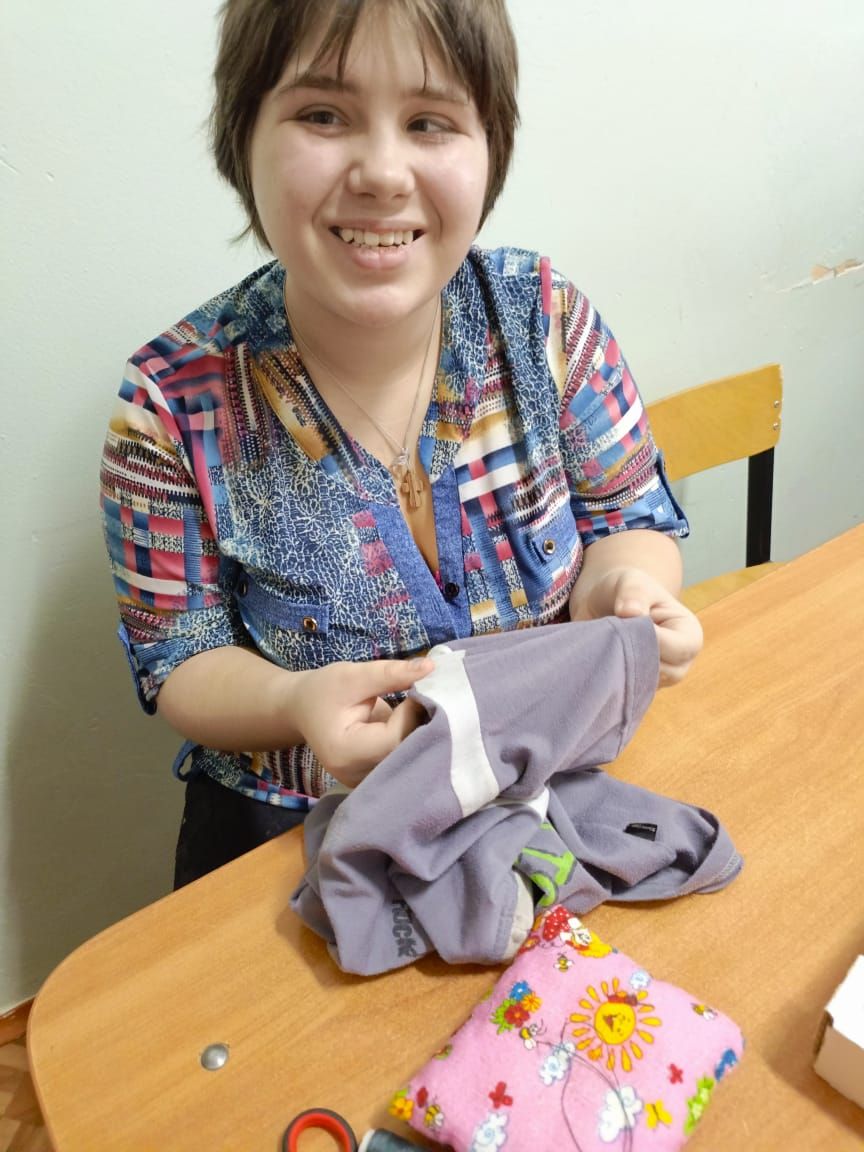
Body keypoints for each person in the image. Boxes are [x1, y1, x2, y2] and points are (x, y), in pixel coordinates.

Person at [99, 0, 703, 890]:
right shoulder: (170, 402)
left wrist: (623, 587)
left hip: (542, 795)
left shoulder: (544, 320)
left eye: (429, 122)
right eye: (322, 114)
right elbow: (180, 658)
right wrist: (293, 701)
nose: (383, 173)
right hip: (289, 844)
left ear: (490, 148)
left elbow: (630, 519)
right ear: (242, 138)